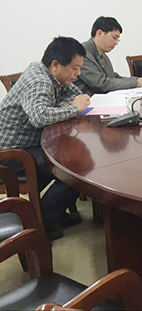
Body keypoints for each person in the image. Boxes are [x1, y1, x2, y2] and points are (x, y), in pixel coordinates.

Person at [0, 37, 91, 240]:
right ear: (55, 64)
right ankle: (40, 222)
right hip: (11, 151)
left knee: (74, 162)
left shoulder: (53, 75)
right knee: (72, 172)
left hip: (32, 143)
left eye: (80, 68)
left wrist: (73, 104)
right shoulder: (39, 81)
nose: (78, 74)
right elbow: (40, 117)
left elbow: (77, 95)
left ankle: (53, 213)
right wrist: (74, 108)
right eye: (75, 68)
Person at [75, 16, 142, 95]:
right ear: (99, 33)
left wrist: (139, 80)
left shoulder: (103, 56)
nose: (116, 43)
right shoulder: (82, 53)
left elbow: (113, 77)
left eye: (117, 39)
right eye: (114, 38)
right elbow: (101, 84)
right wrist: (136, 82)